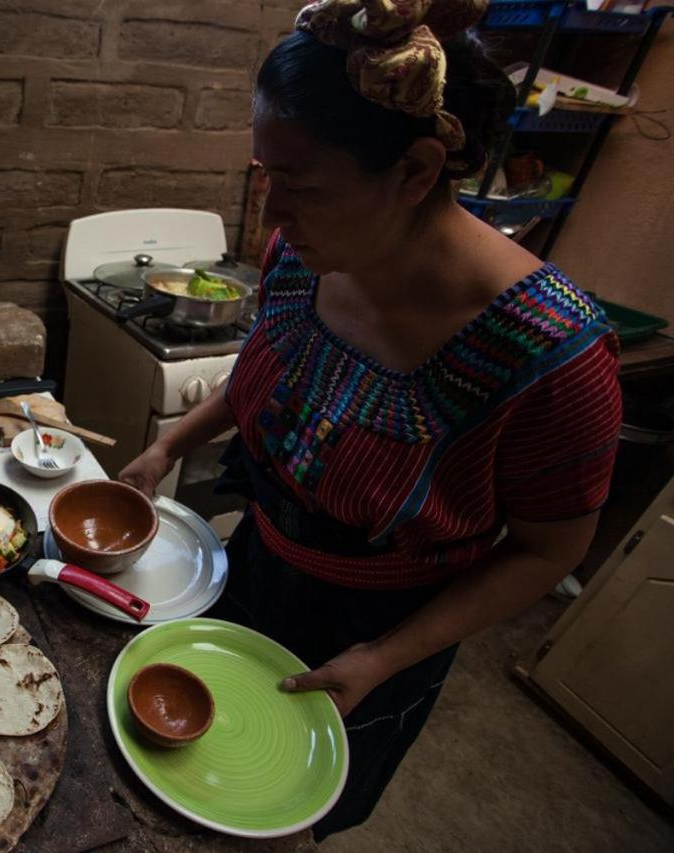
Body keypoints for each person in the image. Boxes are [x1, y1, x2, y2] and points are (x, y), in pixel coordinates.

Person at [119, 0, 622, 840]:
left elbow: (550, 550)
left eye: (303, 186)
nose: (271, 216)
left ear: (418, 170)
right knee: (191, 767)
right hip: (255, 565)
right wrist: (171, 441)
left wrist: (383, 659)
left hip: (374, 638)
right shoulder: (301, 256)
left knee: (275, 806)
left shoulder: (552, 359)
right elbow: (268, 374)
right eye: (264, 176)